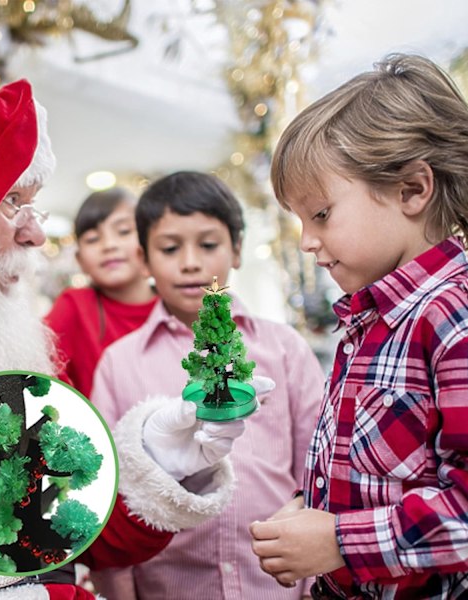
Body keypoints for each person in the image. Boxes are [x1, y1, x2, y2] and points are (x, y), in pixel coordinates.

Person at [0, 77, 244, 599]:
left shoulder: (21, 349)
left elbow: (93, 537)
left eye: (35, 204)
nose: (36, 234)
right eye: (10, 201)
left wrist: (163, 465)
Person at [250, 53, 468, 600]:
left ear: (411, 190)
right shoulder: (366, 319)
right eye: (299, 222)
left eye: (321, 214)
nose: (306, 240)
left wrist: (339, 542)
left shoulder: (454, 320)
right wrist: (311, 511)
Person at [91, 170, 324, 600]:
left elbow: (318, 470)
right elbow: (107, 490)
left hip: (276, 587)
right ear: (143, 258)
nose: (190, 262)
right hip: (170, 586)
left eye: (209, 244)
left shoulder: (285, 349)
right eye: (169, 248)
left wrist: (316, 585)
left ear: (236, 250)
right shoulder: (119, 363)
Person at [46, 187, 156, 399]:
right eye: (93, 239)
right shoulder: (75, 306)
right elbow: (37, 370)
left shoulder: (174, 306)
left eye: (124, 231)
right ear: (80, 261)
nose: (109, 245)